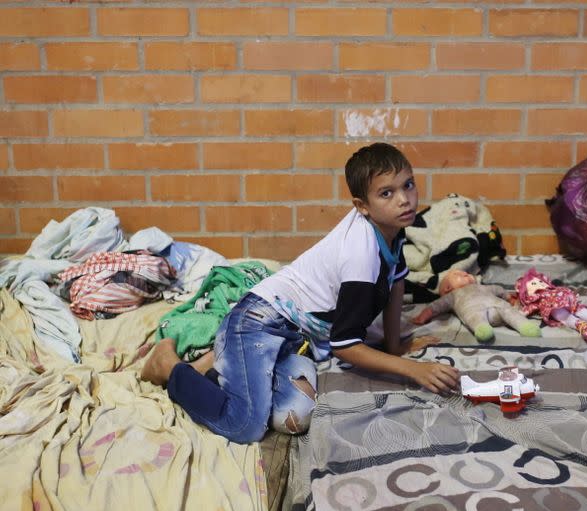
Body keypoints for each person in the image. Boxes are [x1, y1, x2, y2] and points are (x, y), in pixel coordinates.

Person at [141, 143, 458, 443]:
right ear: (362, 206)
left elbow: (397, 282)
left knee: (293, 415)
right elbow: (345, 346)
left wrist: (395, 346)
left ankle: (221, 366)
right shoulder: (360, 251)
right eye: (386, 193)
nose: (404, 199)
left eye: (409, 185)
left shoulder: (392, 228)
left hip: (297, 337)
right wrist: (414, 369)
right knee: (244, 424)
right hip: (258, 320)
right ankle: (169, 366)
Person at [411, 269, 540, 342]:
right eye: (457, 275)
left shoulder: (481, 287)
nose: (464, 273)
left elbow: (497, 289)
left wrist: (508, 297)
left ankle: (525, 326)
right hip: (475, 311)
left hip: (497, 306)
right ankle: (482, 330)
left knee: (508, 310)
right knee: (474, 317)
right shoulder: (452, 296)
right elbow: (435, 306)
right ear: (447, 288)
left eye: (465, 273)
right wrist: (423, 316)